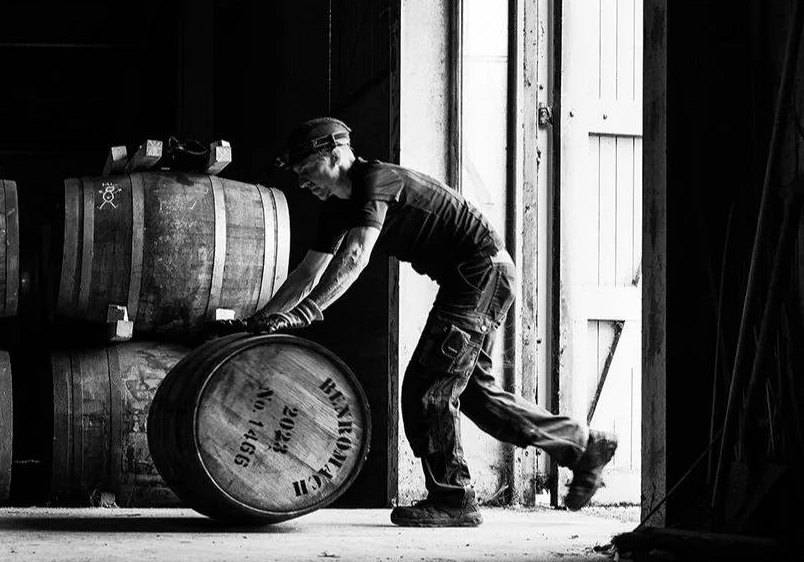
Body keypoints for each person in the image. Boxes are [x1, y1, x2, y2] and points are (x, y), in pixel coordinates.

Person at [241, 117, 618, 527]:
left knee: (428, 387)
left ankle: (454, 498)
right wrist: (266, 319)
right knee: (477, 397)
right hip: (473, 279)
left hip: (481, 273)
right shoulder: (337, 208)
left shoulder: (376, 181)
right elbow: (307, 275)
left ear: (335, 153)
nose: (302, 182)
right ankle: (583, 445)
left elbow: (354, 258)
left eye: (305, 170)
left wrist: (309, 311)